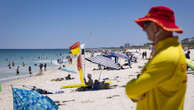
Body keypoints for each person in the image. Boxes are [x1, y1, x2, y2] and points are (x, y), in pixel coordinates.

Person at [125, 6, 187, 110]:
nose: (143, 29)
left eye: (146, 24)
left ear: (156, 26)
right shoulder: (172, 50)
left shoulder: (167, 56)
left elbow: (132, 90)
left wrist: (132, 88)